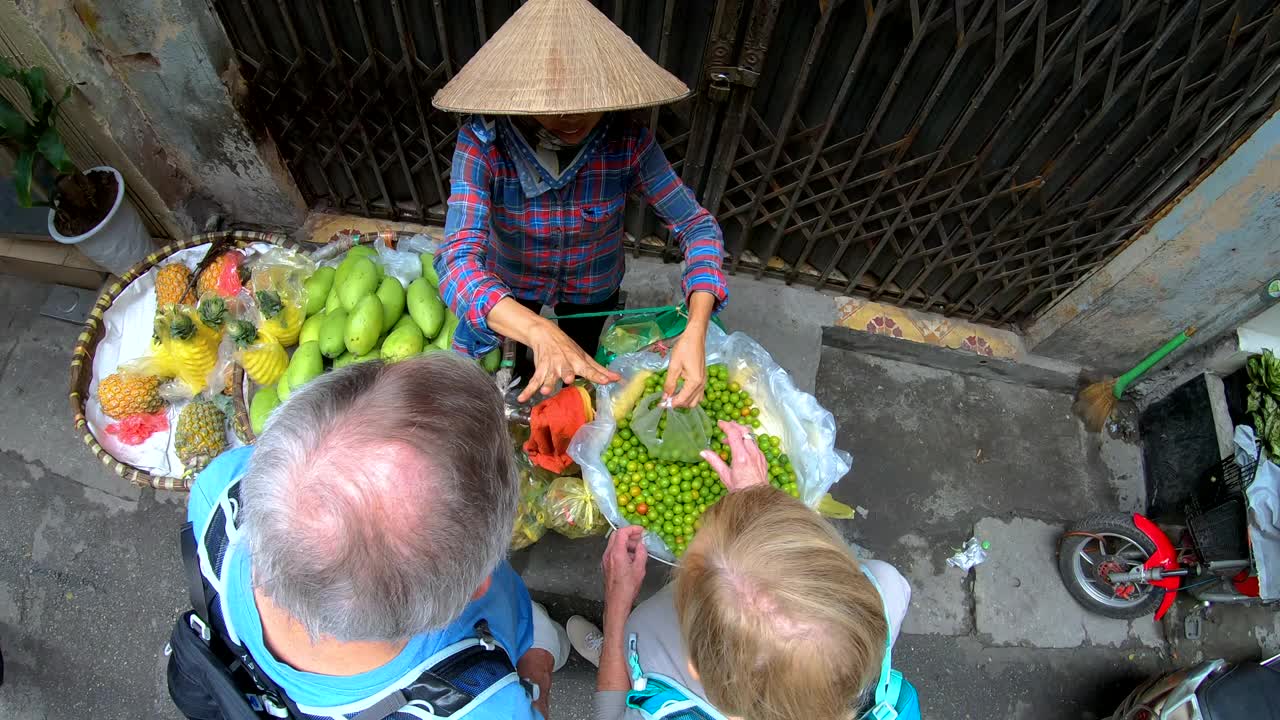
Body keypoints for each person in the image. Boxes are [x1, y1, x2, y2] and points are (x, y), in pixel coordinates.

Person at [168, 354, 571, 720]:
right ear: (476, 584)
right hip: (503, 640)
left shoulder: (221, 493)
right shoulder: (487, 708)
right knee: (542, 637)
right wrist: (537, 672)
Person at [431, 0, 729, 408]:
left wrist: (697, 327)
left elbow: (697, 227)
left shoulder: (628, 141)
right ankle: (528, 380)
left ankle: (569, 406)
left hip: (592, 285)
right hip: (515, 283)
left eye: (585, 100)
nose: (572, 116)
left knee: (577, 364)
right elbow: (457, 259)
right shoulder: (484, 145)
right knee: (529, 362)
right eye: (553, 103)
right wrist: (535, 328)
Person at [571, 421, 913, 720]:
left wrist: (617, 607)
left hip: (646, 654)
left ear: (695, 668)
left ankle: (619, 657)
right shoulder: (885, 587)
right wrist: (756, 503)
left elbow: (610, 713)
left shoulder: (660, 660)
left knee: (637, 634)